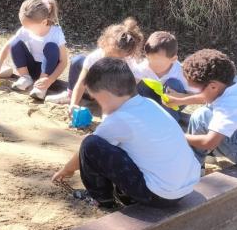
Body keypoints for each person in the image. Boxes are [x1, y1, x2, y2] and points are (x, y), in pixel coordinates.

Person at [52, 57, 200, 209]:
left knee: (91, 144)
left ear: (106, 94)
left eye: (97, 99)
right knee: (123, 145)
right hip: (185, 186)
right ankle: (124, 193)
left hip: (159, 195)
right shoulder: (149, 103)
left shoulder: (119, 119)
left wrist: (67, 170)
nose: (99, 104)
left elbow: (87, 151)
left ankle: (101, 200)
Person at [45, 18, 144, 108]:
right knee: (78, 60)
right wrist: (73, 104)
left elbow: (132, 89)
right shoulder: (94, 57)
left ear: (127, 56)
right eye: (107, 55)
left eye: (115, 59)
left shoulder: (132, 67)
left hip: (114, 89)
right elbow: (81, 83)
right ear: (103, 43)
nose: (109, 60)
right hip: (96, 81)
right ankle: (70, 95)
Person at [0, 0, 68, 100]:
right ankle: (25, 77)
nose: (25, 29)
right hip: (32, 67)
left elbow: (64, 62)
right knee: (15, 43)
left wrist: (50, 80)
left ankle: (41, 87)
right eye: (23, 26)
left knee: (51, 47)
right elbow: (8, 45)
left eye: (28, 26)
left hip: (48, 71)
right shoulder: (25, 29)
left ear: (44, 22)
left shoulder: (56, 33)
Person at [135, 31, 190, 123]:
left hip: (174, 101)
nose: (151, 65)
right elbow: (129, 90)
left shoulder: (181, 71)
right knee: (138, 83)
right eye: (149, 60)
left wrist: (180, 96)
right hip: (151, 101)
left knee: (173, 83)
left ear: (173, 59)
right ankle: (143, 117)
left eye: (158, 63)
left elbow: (199, 97)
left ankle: (170, 120)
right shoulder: (143, 67)